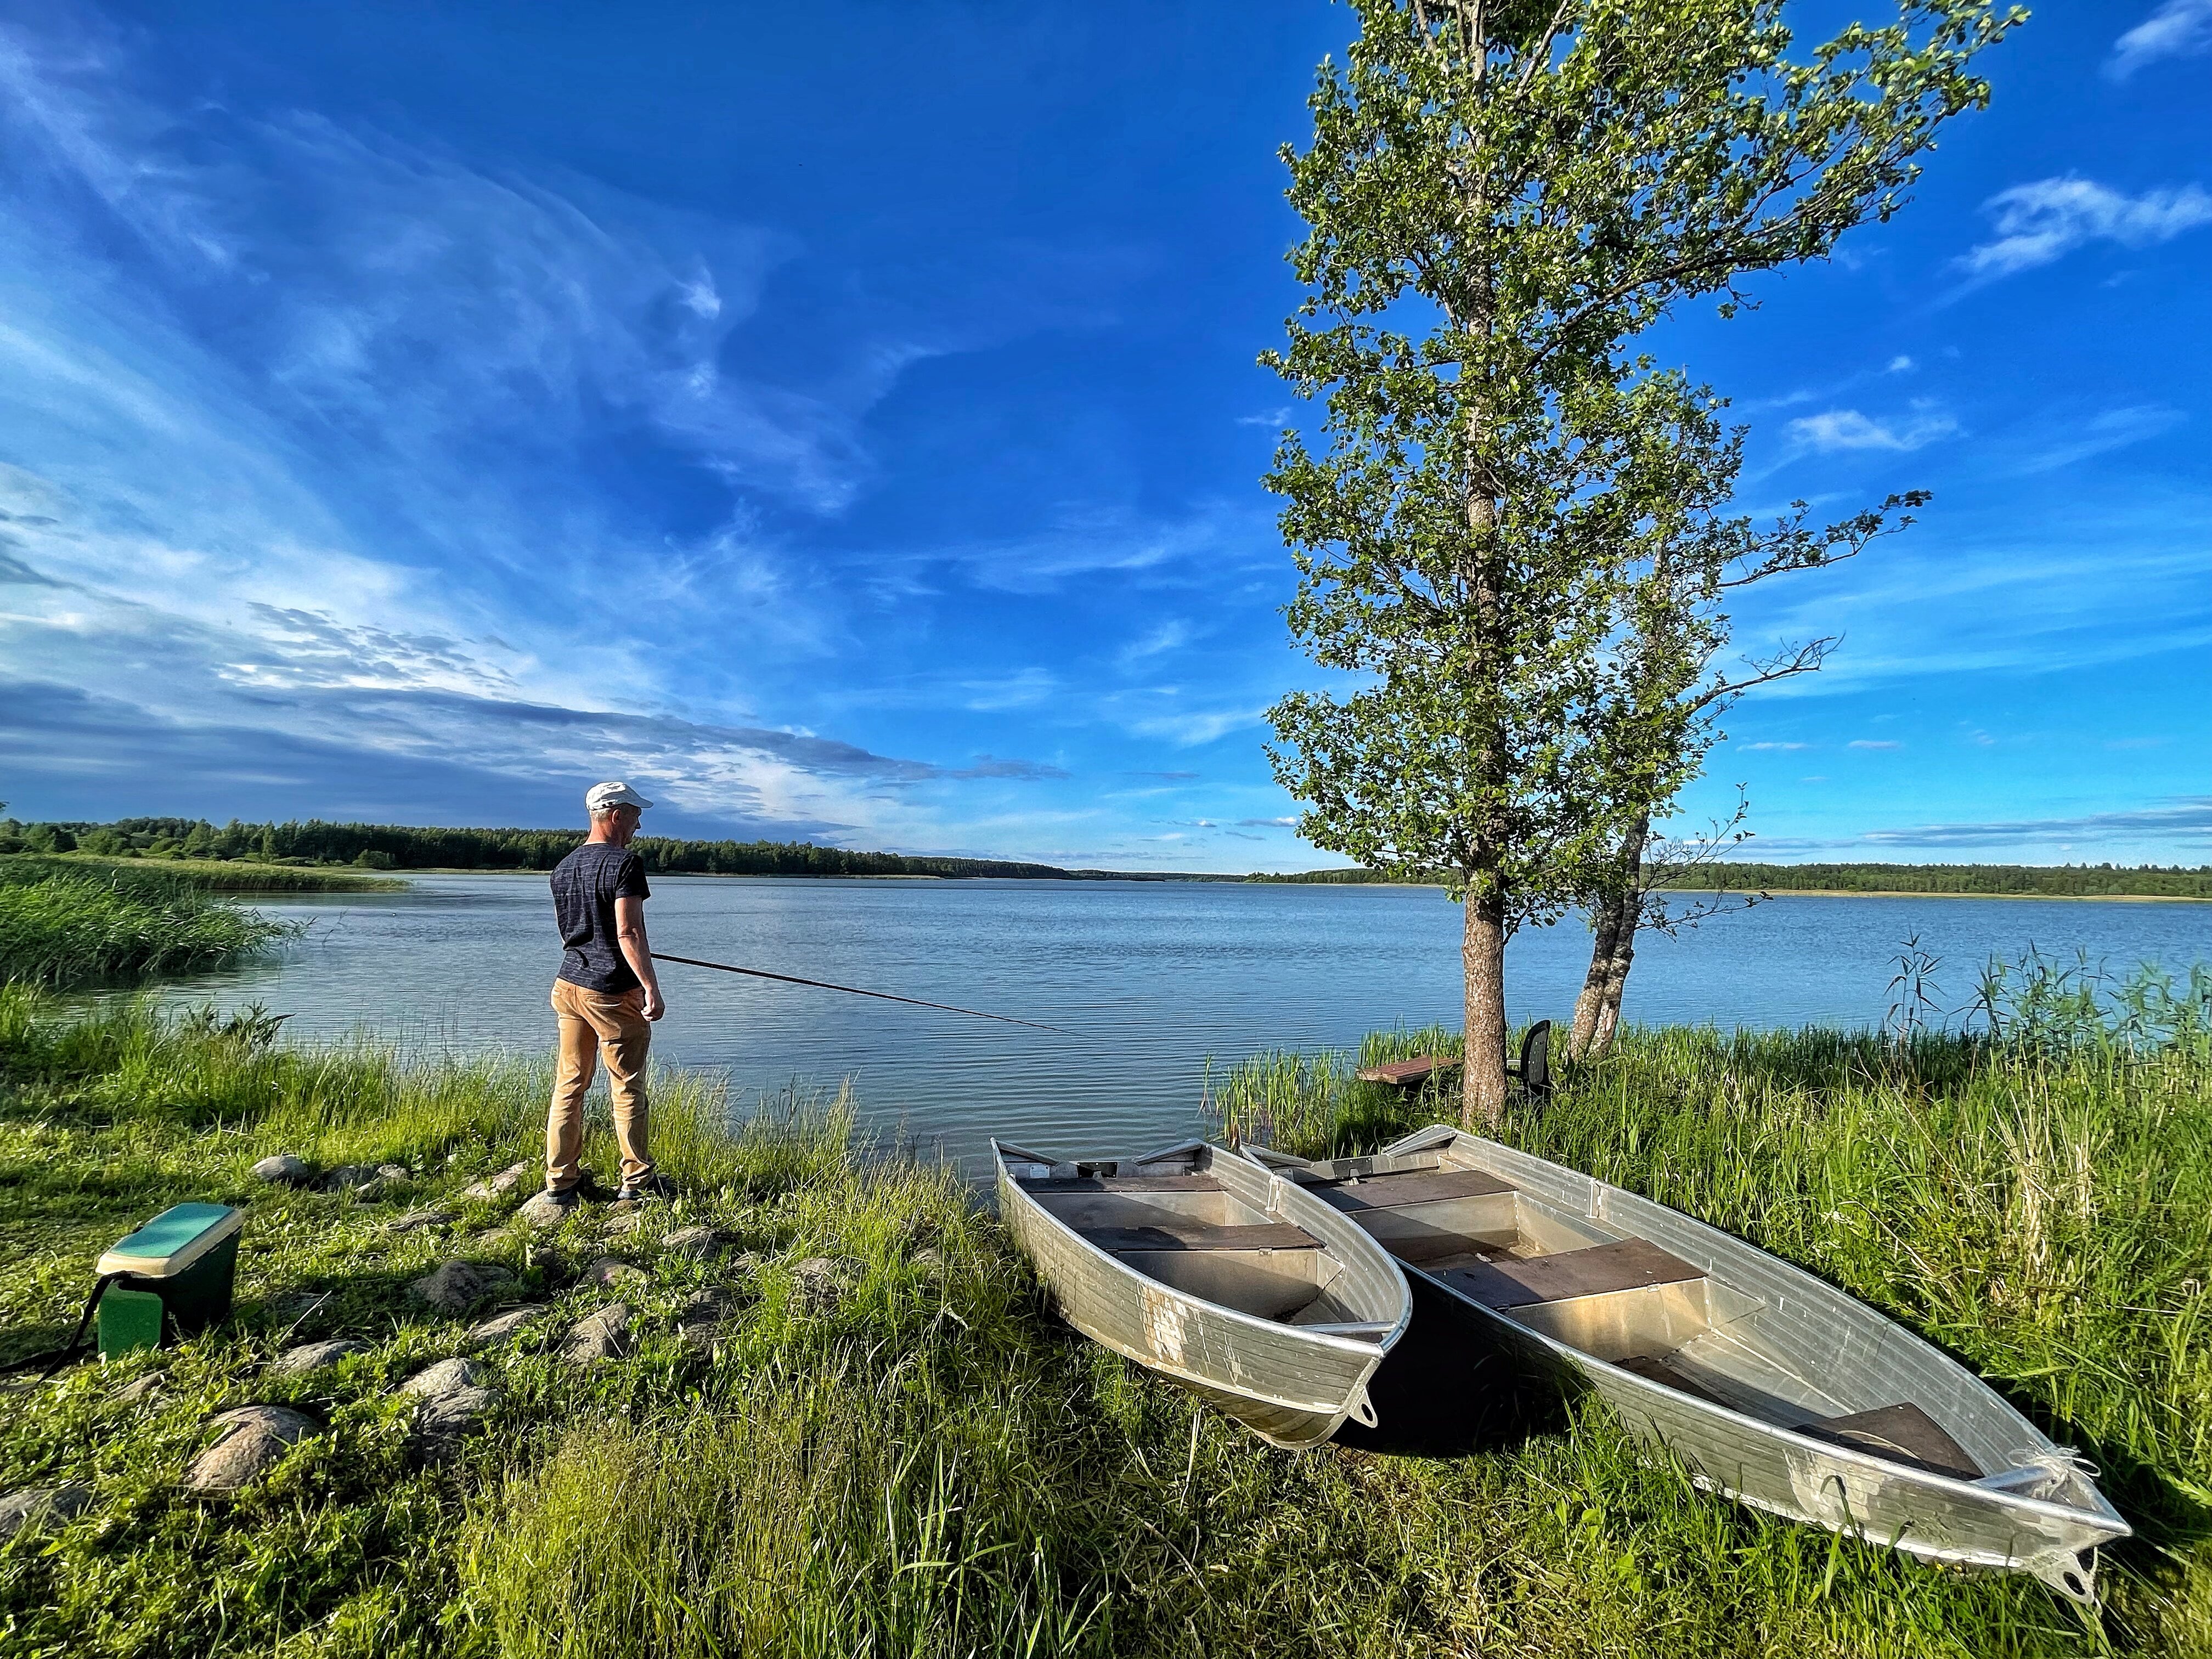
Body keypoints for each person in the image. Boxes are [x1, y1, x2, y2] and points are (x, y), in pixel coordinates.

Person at [541, 781, 671, 1209]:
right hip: (612, 993)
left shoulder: (563, 867)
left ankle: (561, 1182)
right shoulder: (624, 863)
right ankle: (636, 1181)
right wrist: (651, 987)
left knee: (570, 1085)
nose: (639, 823)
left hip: (568, 986)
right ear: (615, 814)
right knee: (628, 1086)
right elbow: (628, 932)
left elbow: (582, 932)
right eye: (635, 814)